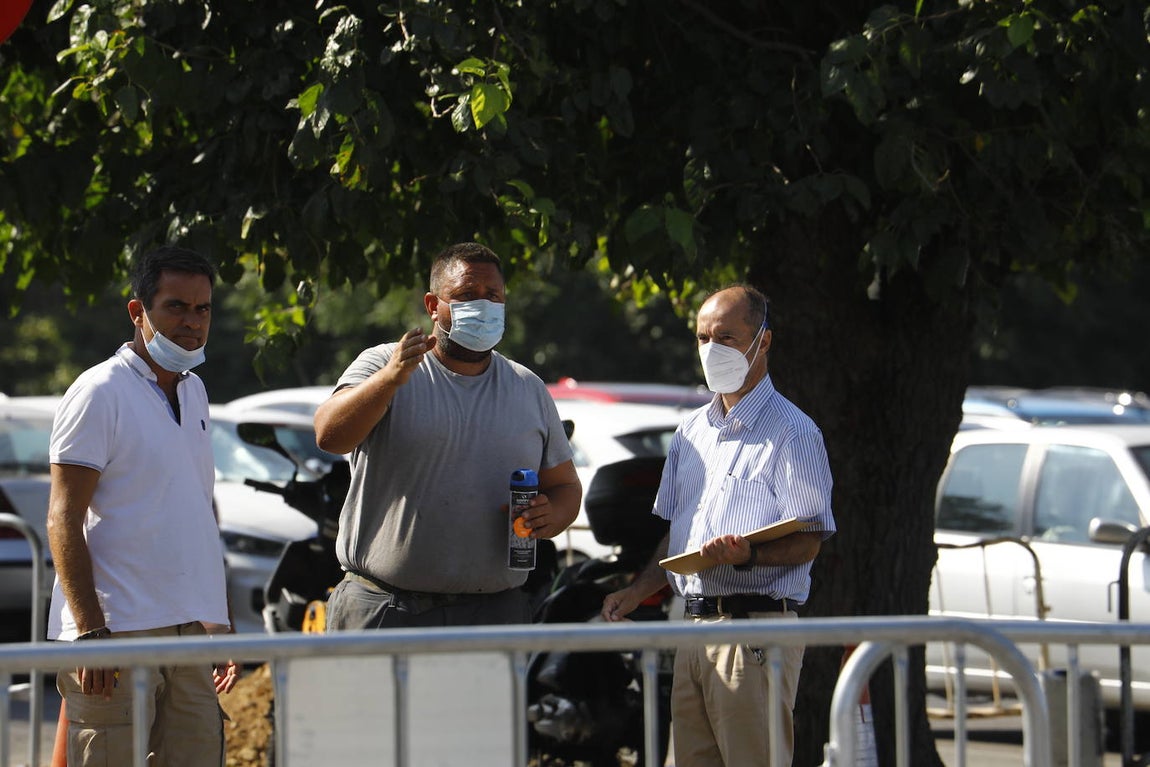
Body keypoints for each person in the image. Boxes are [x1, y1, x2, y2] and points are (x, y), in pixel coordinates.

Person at [601, 284, 836, 767]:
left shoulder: (793, 431)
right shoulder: (691, 432)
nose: (712, 349)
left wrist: (750, 556)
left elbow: (810, 540)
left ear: (763, 342)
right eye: (703, 338)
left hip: (755, 630)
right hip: (691, 629)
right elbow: (677, 536)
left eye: (726, 336)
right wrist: (639, 589)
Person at [314, 241, 582, 629]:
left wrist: (550, 516)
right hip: (384, 608)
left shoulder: (528, 388)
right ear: (433, 305)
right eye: (466, 295)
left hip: (494, 614)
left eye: (493, 296)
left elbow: (566, 488)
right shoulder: (385, 364)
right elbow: (329, 436)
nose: (483, 306)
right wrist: (389, 381)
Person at [46, 246, 238, 767]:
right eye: (176, 306)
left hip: (189, 635)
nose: (192, 323)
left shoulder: (195, 392)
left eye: (202, 309)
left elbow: (198, 512)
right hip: (117, 630)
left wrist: (217, 622)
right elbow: (63, 517)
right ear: (139, 312)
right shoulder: (98, 390)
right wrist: (90, 632)